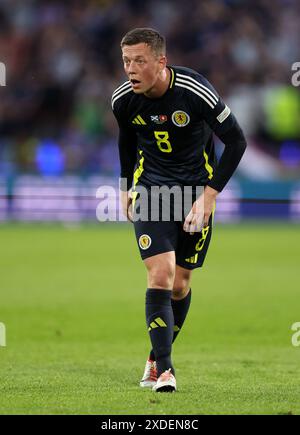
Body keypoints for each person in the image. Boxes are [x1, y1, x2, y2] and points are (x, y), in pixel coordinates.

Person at [111, 28, 247, 392]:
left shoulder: (194, 91)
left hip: (195, 193)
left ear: (160, 61)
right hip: (152, 191)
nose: (131, 69)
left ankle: (155, 356)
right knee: (161, 274)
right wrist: (126, 187)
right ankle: (166, 371)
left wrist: (210, 195)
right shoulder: (123, 100)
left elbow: (236, 140)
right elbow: (127, 139)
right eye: (126, 61)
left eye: (139, 61)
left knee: (181, 283)